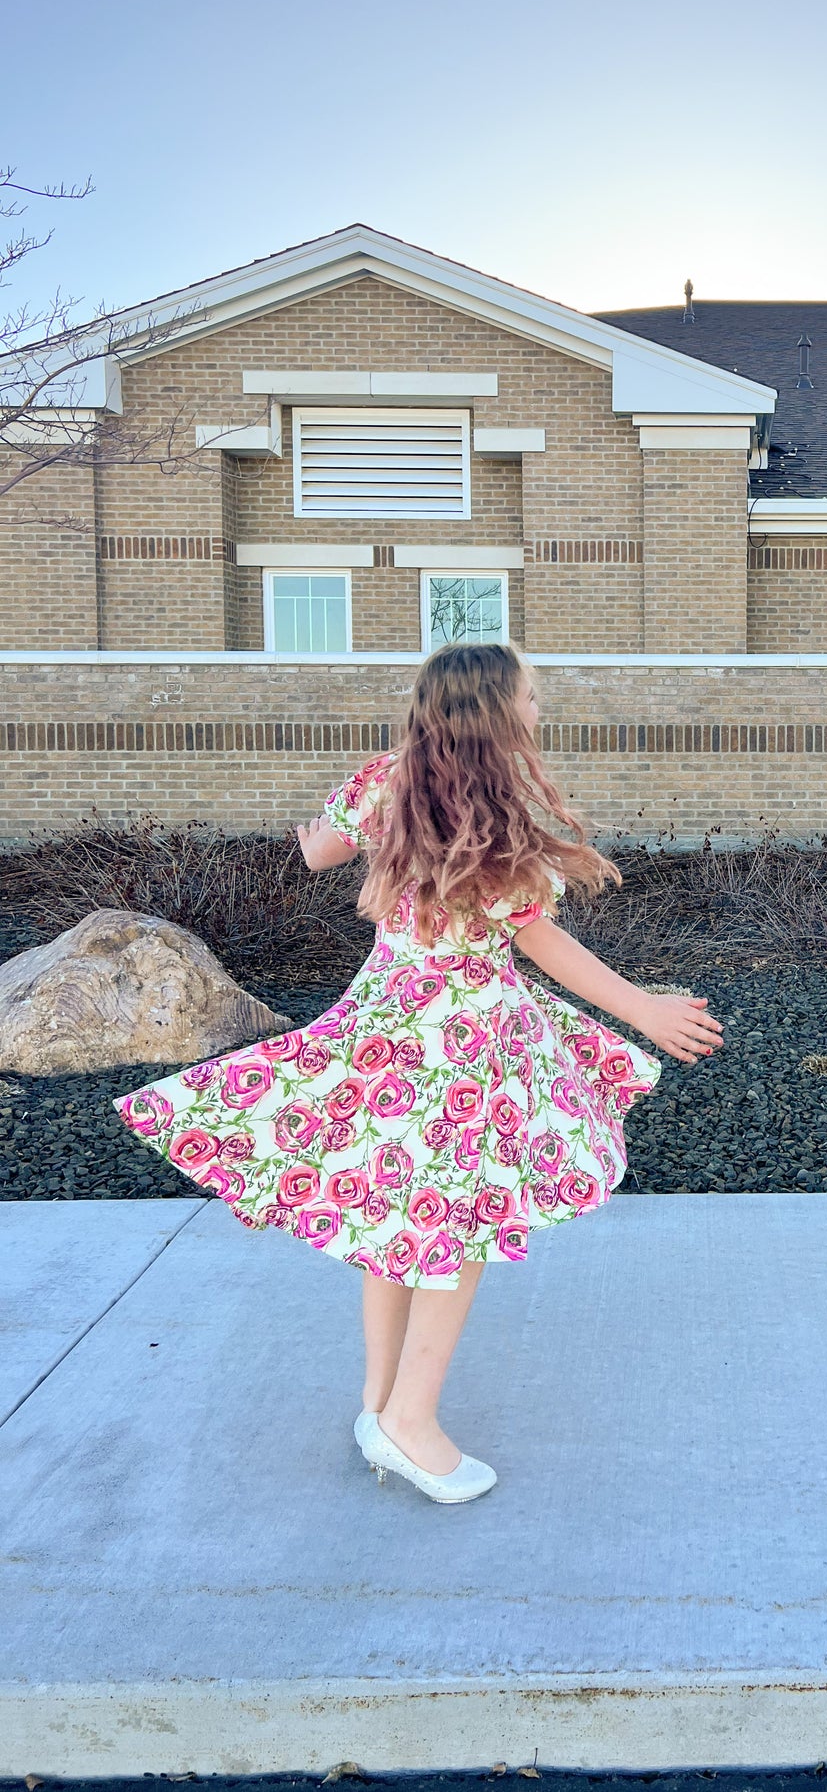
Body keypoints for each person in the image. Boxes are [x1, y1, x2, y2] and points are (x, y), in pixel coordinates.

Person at [116, 643, 722, 1501]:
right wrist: (642, 1009)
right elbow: (540, 939)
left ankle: (379, 1405)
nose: (539, 711)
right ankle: (411, 1419)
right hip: (466, 1044)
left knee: (395, 1207)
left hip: (388, 1020)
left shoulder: (385, 778)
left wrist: (323, 825)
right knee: (455, 1222)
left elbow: (318, 853)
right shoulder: (496, 811)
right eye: (530, 698)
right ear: (494, 715)